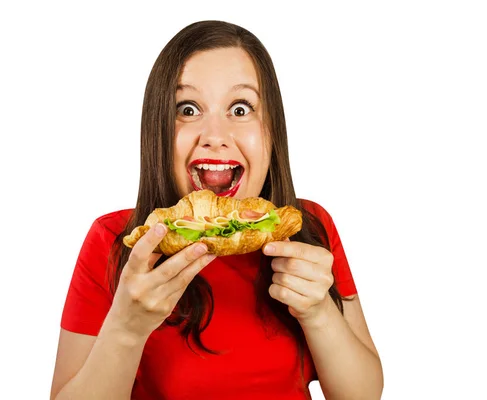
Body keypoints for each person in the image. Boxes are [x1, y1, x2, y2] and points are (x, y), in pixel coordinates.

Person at [50, 20, 383, 400]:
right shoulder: (115, 241)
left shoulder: (309, 230)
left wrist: (319, 312)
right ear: (156, 130)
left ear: (272, 129)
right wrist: (126, 328)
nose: (215, 136)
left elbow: (364, 393)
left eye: (240, 109)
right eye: (188, 109)